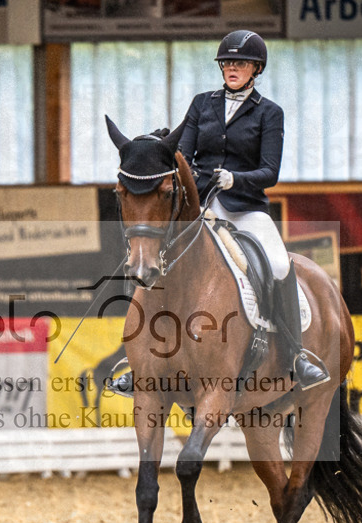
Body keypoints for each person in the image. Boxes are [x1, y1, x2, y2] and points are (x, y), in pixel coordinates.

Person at [109, 30, 328, 398]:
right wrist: (197, 179)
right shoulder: (201, 104)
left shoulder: (269, 112)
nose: (231, 68)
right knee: (153, 257)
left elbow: (269, 172)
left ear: (256, 69)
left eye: (239, 63)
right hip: (203, 208)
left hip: (246, 210)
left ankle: (296, 355)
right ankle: (137, 361)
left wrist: (234, 179)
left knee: (278, 264)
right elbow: (187, 155)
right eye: (226, 63)